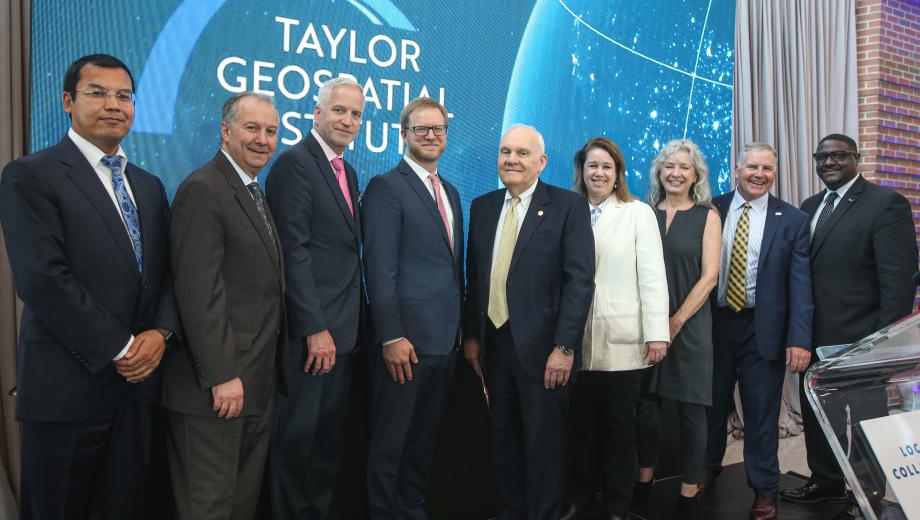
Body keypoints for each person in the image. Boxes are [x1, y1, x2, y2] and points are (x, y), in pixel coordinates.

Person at [0, 53, 179, 519]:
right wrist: (122, 349)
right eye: (97, 93)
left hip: (137, 394)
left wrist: (160, 335)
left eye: (124, 95)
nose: (113, 104)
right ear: (67, 101)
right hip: (67, 391)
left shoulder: (150, 185)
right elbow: (41, 279)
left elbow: (164, 276)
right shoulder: (31, 174)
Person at [781, 134, 918, 520]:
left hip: (863, 340)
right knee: (814, 412)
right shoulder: (809, 206)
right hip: (813, 337)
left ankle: (867, 497)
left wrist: (880, 345)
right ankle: (825, 482)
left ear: (857, 158)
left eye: (838, 155)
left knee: (864, 422)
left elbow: (899, 282)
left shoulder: (885, 203)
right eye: (821, 157)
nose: (828, 163)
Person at [162, 92, 284, 519]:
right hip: (215, 390)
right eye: (252, 128)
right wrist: (223, 374)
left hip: (253, 385)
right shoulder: (203, 189)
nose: (263, 140)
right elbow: (199, 293)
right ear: (226, 131)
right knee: (209, 507)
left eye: (271, 131)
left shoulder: (252, 191)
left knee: (239, 506)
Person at [463, 125, 594, 520]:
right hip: (494, 347)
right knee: (503, 441)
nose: (512, 160)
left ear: (542, 162)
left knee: (542, 445)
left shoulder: (567, 206)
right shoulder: (482, 206)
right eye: (506, 152)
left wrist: (565, 347)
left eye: (522, 153)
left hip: (545, 351)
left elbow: (580, 281)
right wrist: (472, 335)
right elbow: (475, 276)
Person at [266, 76, 366, 519]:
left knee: (326, 447)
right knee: (296, 444)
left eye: (356, 114)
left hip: (343, 336)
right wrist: (315, 328)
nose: (348, 120)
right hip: (311, 337)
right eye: (340, 110)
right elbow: (294, 251)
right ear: (317, 113)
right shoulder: (295, 163)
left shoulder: (349, 170)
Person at [361, 97, 464, 519]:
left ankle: (412, 510)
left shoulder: (451, 191)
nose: (430, 136)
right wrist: (391, 334)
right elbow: (378, 269)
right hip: (404, 345)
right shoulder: (387, 186)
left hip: (444, 344)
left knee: (422, 444)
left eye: (437, 129)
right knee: (392, 444)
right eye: (420, 129)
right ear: (403, 135)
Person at [560, 137, 670, 520]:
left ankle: (618, 503)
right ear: (582, 170)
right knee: (583, 426)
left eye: (607, 166)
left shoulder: (637, 212)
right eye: (592, 166)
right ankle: (583, 496)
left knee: (620, 428)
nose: (599, 173)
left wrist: (657, 332)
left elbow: (653, 277)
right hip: (576, 339)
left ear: (618, 173)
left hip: (624, 339)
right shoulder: (567, 209)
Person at [703, 143, 813, 520]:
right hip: (714, 325)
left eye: (767, 168)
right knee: (709, 408)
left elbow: (800, 284)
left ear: (774, 174)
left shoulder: (793, 220)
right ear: (737, 170)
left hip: (762, 330)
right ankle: (705, 472)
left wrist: (799, 339)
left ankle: (765, 490)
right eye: (752, 167)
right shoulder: (710, 209)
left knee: (761, 416)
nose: (759, 174)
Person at [634, 139, 721, 517]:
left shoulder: (708, 215)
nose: (676, 172)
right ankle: (644, 481)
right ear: (659, 171)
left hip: (690, 325)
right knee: (645, 411)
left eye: (684, 167)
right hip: (645, 327)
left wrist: (675, 320)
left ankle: (689, 490)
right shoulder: (642, 213)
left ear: (696, 174)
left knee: (692, 413)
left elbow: (710, 277)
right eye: (669, 165)